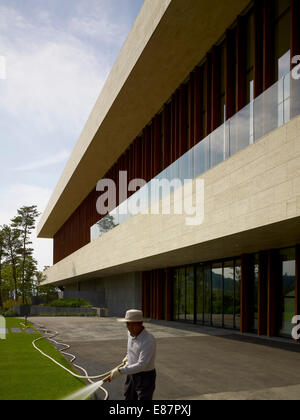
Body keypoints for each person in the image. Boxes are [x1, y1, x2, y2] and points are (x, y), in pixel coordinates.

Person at [104, 309, 156, 401]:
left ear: (140, 323)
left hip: (145, 376)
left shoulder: (148, 340)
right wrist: (128, 357)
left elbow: (142, 365)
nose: (130, 327)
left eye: (133, 324)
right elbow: (131, 349)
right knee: (129, 396)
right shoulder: (130, 333)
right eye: (128, 324)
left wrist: (120, 371)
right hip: (132, 373)